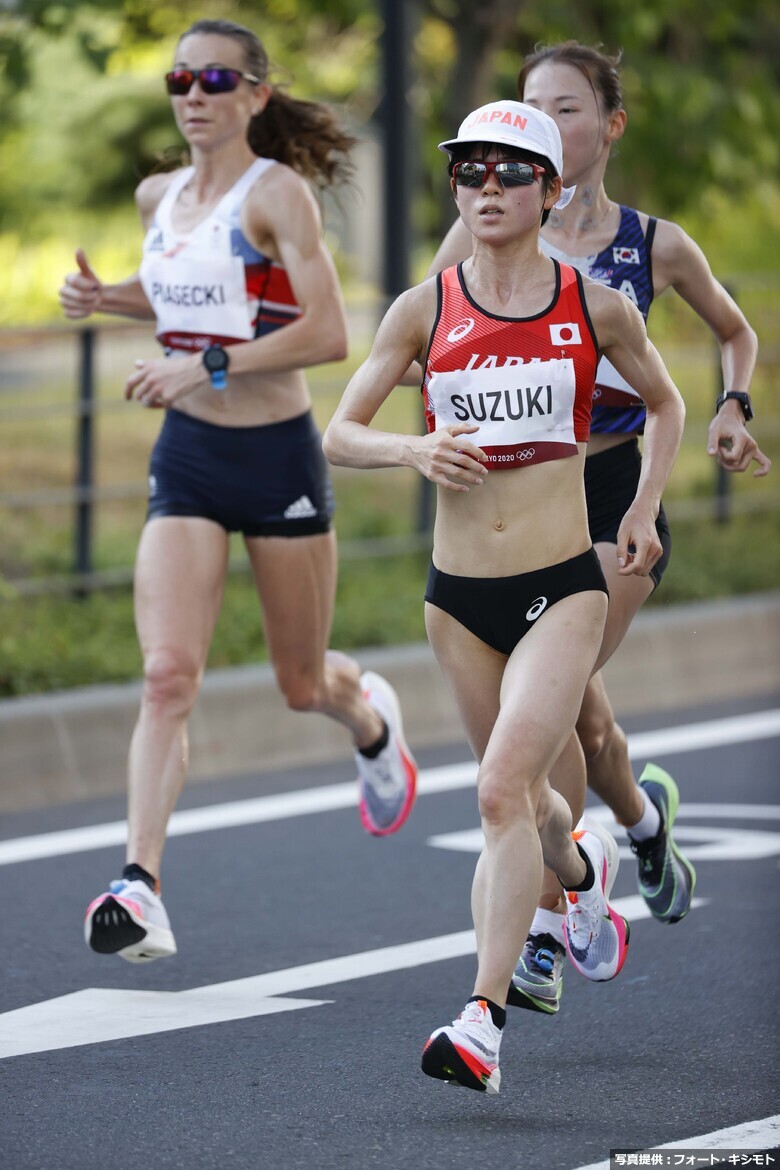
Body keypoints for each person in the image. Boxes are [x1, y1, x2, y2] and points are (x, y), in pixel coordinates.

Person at [323, 99, 686, 1093]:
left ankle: (481, 1022)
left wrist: (643, 507)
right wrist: (412, 444)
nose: (484, 187)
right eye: (467, 171)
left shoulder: (595, 306)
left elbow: (664, 400)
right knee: (529, 811)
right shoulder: (424, 308)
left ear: (549, 190)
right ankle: (583, 879)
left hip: (564, 589)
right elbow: (338, 431)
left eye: (506, 171)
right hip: (459, 602)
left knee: (496, 794)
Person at [421, 41, 771, 1018]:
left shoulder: (651, 245)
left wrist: (731, 409)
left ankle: (543, 926)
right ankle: (640, 821)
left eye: (569, 108)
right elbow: (425, 342)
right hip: (516, 495)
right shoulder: (477, 240)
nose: (548, 124)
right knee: (583, 717)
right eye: (532, 105)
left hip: (615, 489)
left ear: (607, 127)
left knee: (559, 707)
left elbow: (733, 331)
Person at [58, 18, 418, 964]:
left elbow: (331, 331)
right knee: (167, 674)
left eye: (215, 77)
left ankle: (370, 719)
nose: (193, 92)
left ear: (256, 94)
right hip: (189, 461)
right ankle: (138, 884)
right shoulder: (158, 196)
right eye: (180, 77)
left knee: (301, 685)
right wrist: (113, 300)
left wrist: (204, 364)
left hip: (277, 459)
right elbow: (185, 291)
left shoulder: (278, 195)